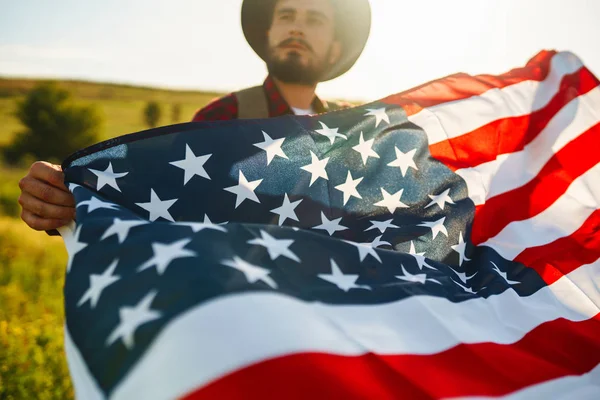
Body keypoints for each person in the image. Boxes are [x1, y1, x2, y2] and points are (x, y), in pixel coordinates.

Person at [17, 0, 372, 232]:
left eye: (314, 19)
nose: (296, 28)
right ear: (269, 33)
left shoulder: (352, 130)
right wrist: (73, 193)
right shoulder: (225, 116)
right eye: (286, 15)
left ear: (335, 47)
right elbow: (158, 189)